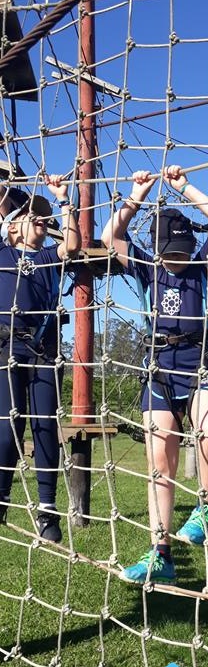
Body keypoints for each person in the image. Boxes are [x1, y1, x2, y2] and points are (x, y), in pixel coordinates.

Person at [101, 166, 208, 584]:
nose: (176, 256)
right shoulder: (146, 268)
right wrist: (137, 193)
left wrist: (183, 187)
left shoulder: (203, 268)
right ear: (157, 250)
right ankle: (161, 555)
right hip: (159, 368)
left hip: (202, 361)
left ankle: (205, 508)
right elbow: (110, 236)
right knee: (160, 461)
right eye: (169, 250)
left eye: (182, 249)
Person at [0, 175, 81, 542]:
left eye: (43, 218)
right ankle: (2, 496)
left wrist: (63, 200)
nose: (39, 220)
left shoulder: (49, 256)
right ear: (11, 224)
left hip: (43, 350)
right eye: (29, 215)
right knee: (8, 428)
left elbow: (72, 244)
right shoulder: (2, 253)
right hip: (6, 349)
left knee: (46, 426)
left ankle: (47, 510)